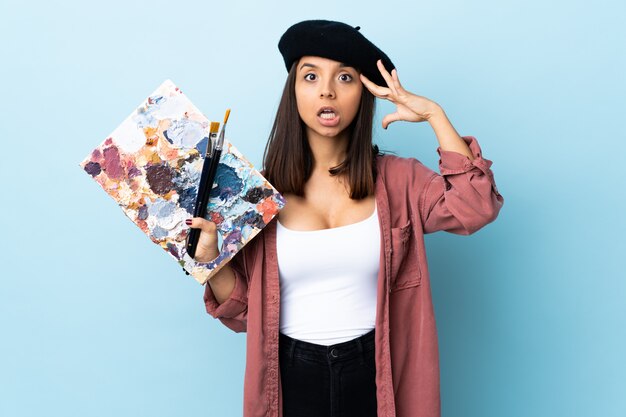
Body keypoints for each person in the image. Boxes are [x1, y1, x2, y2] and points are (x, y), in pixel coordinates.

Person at [186, 20, 503, 417]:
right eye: (311, 75)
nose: (327, 91)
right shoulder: (255, 195)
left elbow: (476, 207)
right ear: (294, 91)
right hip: (289, 378)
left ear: (363, 94)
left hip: (376, 374)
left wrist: (435, 115)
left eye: (346, 77)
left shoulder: (399, 180)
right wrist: (211, 262)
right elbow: (244, 314)